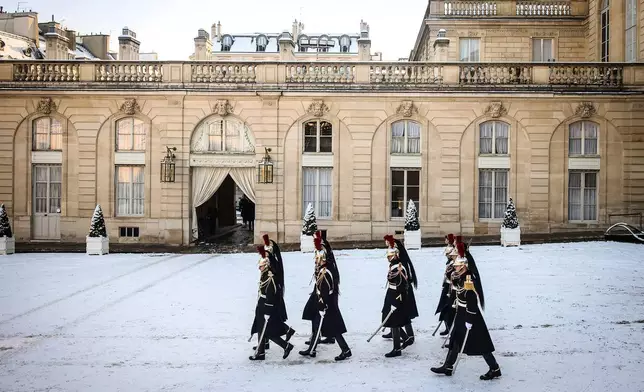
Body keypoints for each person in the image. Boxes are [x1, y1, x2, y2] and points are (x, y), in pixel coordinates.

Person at [430, 242, 501, 380]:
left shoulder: (469, 280)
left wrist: (469, 320)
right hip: (461, 313)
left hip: (471, 317)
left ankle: (495, 368)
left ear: (464, 267)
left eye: (457, 266)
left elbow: (472, 303)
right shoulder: (461, 277)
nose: (455, 268)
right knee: (455, 341)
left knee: (481, 345)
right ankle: (448, 366)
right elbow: (456, 289)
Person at [299, 236, 352, 361]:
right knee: (317, 324)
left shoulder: (326, 273)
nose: (317, 261)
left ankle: (346, 350)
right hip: (321, 302)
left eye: (318, 259)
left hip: (326, 305)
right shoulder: (322, 270)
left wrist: (323, 304)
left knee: (334, 329)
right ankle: (312, 349)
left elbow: (325, 290)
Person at [248, 245, 295, 361]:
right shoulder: (265, 274)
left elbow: (270, 295)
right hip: (262, 304)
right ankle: (261, 352)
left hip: (266, 306)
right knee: (261, 328)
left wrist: (267, 311)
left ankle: (285, 345)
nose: (260, 268)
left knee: (267, 330)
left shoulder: (270, 277)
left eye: (262, 266)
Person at [302, 231, 335, 349]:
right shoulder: (318, 250)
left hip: (322, 286)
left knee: (320, 313)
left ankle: (318, 338)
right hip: (318, 285)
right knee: (313, 312)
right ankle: (317, 336)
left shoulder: (322, 249)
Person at [381, 234, 411, 358]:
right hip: (390, 294)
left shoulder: (399, 268)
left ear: (396, 255)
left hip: (396, 297)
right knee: (390, 320)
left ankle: (397, 348)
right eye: (388, 256)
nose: (389, 258)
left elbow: (402, 286)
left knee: (394, 322)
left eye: (391, 256)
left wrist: (397, 301)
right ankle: (405, 338)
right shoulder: (393, 266)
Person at [435, 234, 457, 336]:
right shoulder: (450, 262)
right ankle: (448, 327)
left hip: (451, 288)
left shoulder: (455, 263)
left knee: (449, 309)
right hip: (447, 286)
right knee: (443, 307)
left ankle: (451, 329)